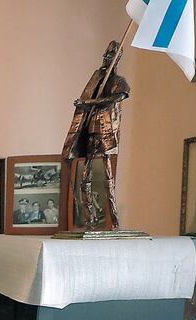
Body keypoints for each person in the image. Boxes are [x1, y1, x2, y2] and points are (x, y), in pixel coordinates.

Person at [61, 40, 129, 229]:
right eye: (105, 55)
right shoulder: (97, 80)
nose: (106, 59)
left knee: (108, 179)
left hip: (106, 134)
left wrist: (89, 103)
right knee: (85, 177)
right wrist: (87, 103)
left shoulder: (118, 81)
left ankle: (114, 221)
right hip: (92, 132)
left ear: (117, 58)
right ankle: (89, 219)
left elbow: (118, 97)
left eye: (110, 56)